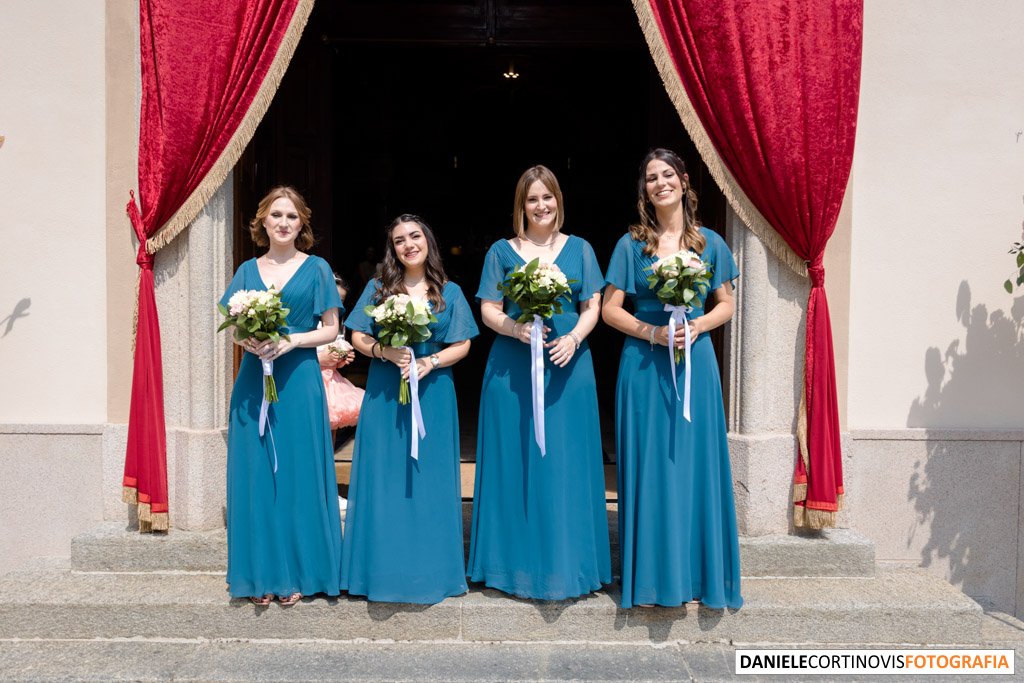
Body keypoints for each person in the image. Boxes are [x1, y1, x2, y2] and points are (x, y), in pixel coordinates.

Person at [601, 148, 743, 609]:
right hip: (643, 366)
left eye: (667, 175)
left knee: (694, 463)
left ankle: (698, 574)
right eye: (650, 178)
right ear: (644, 190)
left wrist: (696, 326)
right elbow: (609, 309)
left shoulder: (710, 243)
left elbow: (726, 303)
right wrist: (654, 333)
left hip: (695, 363)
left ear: (684, 181)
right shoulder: (630, 245)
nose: (659, 183)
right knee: (650, 467)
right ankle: (652, 579)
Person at [467, 165, 611, 600]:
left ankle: (571, 565)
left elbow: (593, 304)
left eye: (547, 197)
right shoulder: (501, 250)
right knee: (516, 459)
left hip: (568, 364)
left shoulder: (581, 248)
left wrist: (573, 338)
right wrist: (517, 329)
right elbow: (489, 308)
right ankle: (510, 566)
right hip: (512, 368)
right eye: (532, 199)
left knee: (565, 462)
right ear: (521, 206)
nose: (541, 205)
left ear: (558, 201)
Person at [341, 214, 478, 604]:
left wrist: (429, 362)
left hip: (433, 390)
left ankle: (430, 570)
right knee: (385, 475)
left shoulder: (448, 292)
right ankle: (379, 569)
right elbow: (357, 335)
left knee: (427, 477)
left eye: (415, 236)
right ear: (393, 249)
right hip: (387, 390)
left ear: (428, 242)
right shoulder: (378, 288)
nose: (408, 245)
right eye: (400, 240)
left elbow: (463, 344)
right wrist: (384, 350)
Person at [219, 186, 344, 606]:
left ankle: (298, 571)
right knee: (257, 476)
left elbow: (331, 329)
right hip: (254, 381)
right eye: (276, 215)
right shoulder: (246, 271)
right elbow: (231, 325)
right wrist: (248, 340)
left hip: (299, 380)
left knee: (297, 473)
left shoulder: (318, 269)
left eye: (292, 216)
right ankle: (260, 573)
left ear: (302, 223)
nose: (284, 223)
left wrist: (292, 340)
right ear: (263, 222)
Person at [316, 274, 364, 445]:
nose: (336, 304)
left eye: (341, 300)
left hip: (332, 382)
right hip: (314, 378)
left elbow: (334, 349)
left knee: (331, 428)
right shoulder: (309, 321)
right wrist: (322, 358)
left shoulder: (339, 324)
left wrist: (341, 357)